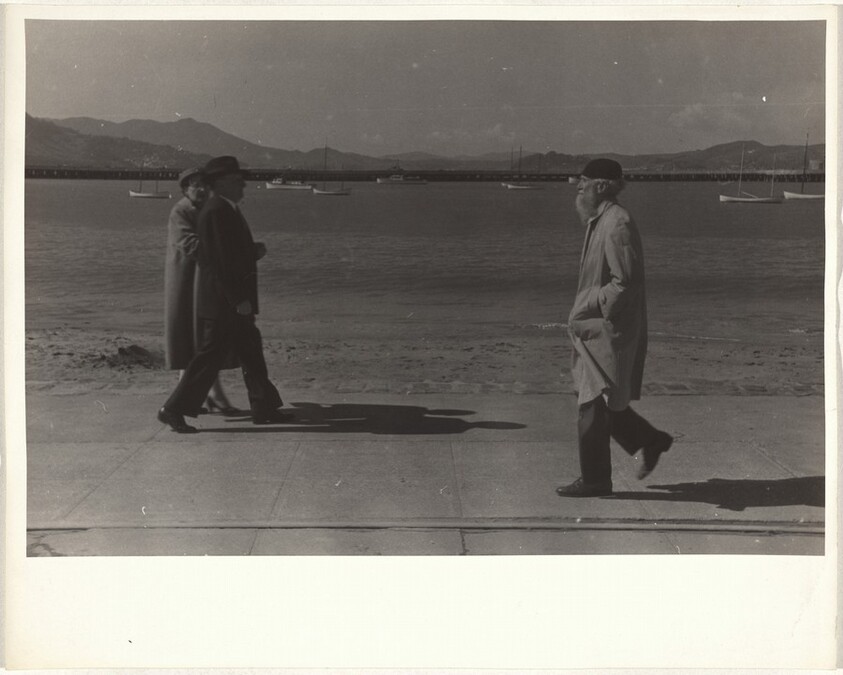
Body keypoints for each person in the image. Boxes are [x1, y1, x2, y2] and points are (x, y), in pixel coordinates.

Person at [557, 158, 673, 498]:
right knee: (594, 398)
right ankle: (651, 440)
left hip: (608, 328)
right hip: (596, 327)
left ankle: (595, 480)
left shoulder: (617, 223)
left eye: (584, 181)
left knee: (591, 404)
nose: (577, 186)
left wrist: (588, 303)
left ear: (603, 185)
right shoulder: (601, 220)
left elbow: (625, 283)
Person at [157, 156, 292, 433]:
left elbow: (228, 253)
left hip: (228, 301)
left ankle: (264, 407)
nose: (242, 185)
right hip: (224, 303)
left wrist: (251, 252)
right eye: (235, 180)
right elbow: (217, 262)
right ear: (219, 184)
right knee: (208, 358)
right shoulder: (217, 210)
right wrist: (237, 299)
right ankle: (172, 409)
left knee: (251, 352)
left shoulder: (225, 208)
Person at [163, 166, 238, 414]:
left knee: (200, 340)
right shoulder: (180, 211)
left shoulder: (206, 209)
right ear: (185, 189)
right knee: (194, 338)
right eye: (195, 185)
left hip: (201, 281)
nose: (202, 189)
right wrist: (228, 253)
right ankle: (201, 396)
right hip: (186, 283)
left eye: (205, 184)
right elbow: (189, 244)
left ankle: (196, 397)